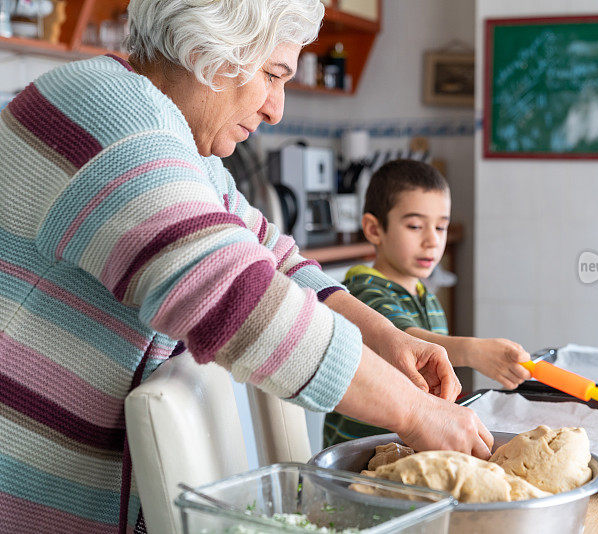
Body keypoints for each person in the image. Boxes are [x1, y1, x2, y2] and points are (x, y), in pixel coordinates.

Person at [0, 1, 493, 532]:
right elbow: (241, 300)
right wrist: (416, 414)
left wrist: (385, 336)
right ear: (205, 49)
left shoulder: (183, 146)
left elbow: (274, 258)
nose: (276, 109)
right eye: (273, 74)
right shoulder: (106, 113)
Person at [324, 160, 531, 446]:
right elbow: (402, 339)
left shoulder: (428, 298)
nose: (432, 240)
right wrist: (474, 351)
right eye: (415, 226)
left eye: (441, 227)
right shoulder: (363, 291)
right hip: (364, 456)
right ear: (374, 230)